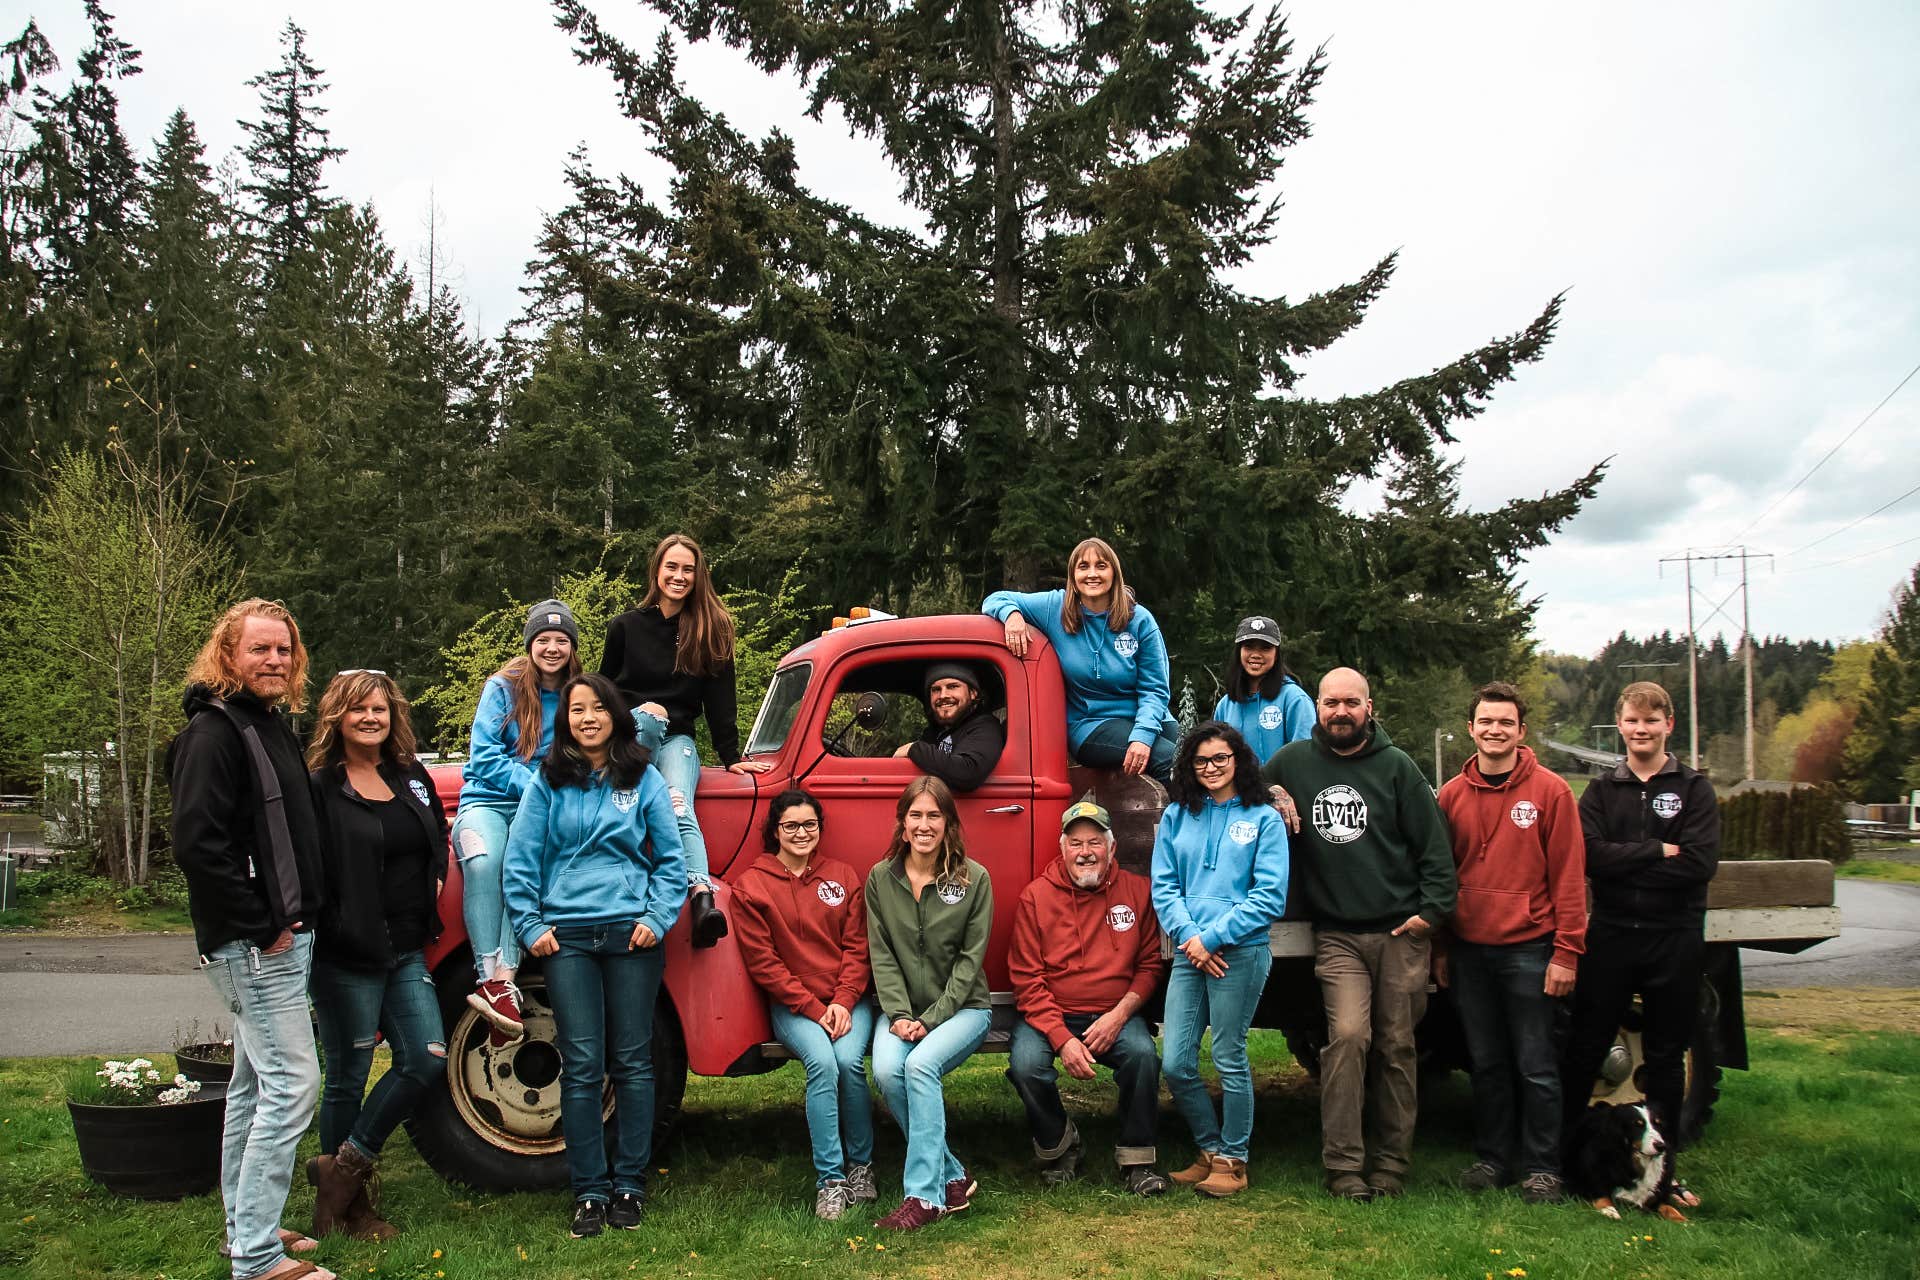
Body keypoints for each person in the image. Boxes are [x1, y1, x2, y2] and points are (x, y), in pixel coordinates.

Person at [169, 599, 335, 1280]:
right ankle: (258, 1260)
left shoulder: (265, 724)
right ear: (227, 655)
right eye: (260, 649)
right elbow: (197, 846)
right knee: (295, 1086)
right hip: (255, 945)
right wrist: (261, 923)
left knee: (252, 1088)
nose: (274, 661)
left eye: (284, 650)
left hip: (278, 940)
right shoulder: (213, 735)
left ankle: (246, 1230)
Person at [1262, 667, 1456, 1201]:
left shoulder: (1397, 769)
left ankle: (1391, 1164)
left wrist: (1430, 914)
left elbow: (1436, 852)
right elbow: (1244, 785)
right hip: (1338, 936)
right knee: (1347, 1038)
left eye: (1351, 702)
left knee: (1397, 1046)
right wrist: (1272, 794)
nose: (1340, 712)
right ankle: (1344, 1166)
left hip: (1399, 932)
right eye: (1330, 703)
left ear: (1369, 707)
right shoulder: (1294, 762)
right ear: (1317, 708)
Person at [503, 673, 686, 1238]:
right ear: (567, 721)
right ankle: (588, 1191)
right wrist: (531, 925)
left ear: (615, 716)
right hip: (569, 940)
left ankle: (629, 1183)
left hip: (631, 936)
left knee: (632, 1062)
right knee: (582, 1065)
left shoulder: (644, 778)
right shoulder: (547, 782)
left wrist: (656, 919)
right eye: (577, 709)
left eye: (598, 708)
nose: (587, 718)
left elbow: (670, 858)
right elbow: (521, 858)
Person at [303, 670, 450, 1240]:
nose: (371, 718)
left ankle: (342, 1167)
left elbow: (435, 830)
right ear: (337, 716)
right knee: (348, 1076)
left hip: (407, 948)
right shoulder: (319, 785)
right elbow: (308, 865)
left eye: (381, 710)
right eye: (359, 709)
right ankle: (352, 1207)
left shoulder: (409, 774)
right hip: (346, 954)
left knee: (426, 1058)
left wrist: (435, 874)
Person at [1560, 680, 1718, 1212]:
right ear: (1620, 725)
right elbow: (1591, 857)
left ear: (1668, 725)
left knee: (1669, 1058)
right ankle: (1568, 1161)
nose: (1641, 729)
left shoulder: (1694, 789)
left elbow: (1699, 865)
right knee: (1584, 1050)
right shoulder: (1603, 791)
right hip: (1611, 937)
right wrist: (1657, 850)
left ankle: (1664, 1173)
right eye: (1632, 720)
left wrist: (1630, 864)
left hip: (1674, 937)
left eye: (1652, 721)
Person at [1434, 681, 1585, 1204]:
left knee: (1536, 1065)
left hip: (1530, 948)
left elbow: (1569, 878)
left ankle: (1542, 1166)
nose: (1494, 730)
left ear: (1521, 731)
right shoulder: (1451, 795)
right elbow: (1441, 877)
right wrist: (1442, 948)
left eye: (1505, 723)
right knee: (1487, 1063)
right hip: (1470, 949)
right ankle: (1493, 1158)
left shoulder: (1551, 792)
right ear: (1471, 729)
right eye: (1485, 721)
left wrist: (1567, 952)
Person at [601, 533, 772, 948]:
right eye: (672, 567)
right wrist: (643, 713)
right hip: (631, 736)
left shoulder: (710, 629)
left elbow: (719, 699)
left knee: (678, 803)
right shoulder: (624, 626)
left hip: (678, 739)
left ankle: (700, 898)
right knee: (647, 724)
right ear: (657, 570)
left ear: (698, 577)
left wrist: (731, 755)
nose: (679, 576)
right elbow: (604, 692)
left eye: (688, 570)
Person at [1151, 722, 1290, 1199]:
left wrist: (1212, 938)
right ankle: (1209, 1148)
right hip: (1193, 950)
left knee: (1229, 1055)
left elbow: (1269, 896)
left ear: (1239, 761)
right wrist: (1192, 938)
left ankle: (1235, 1158)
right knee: (1175, 1061)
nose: (1211, 768)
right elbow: (1164, 886)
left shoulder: (1264, 818)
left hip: (1241, 951)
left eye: (1220, 759)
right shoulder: (1177, 815)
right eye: (1201, 760)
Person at [1006, 800, 1170, 1196]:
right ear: (1062, 849)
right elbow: (1028, 979)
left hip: (1115, 1011)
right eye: (1076, 843)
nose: (1085, 853)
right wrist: (1061, 1039)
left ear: (1112, 848)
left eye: (1095, 842)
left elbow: (1150, 966)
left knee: (1143, 1056)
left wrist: (1119, 1016)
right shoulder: (1036, 897)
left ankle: (1137, 1162)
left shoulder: (1136, 891)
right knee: (1026, 1063)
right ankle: (1061, 1146)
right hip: (1052, 1013)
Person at [730, 790, 877, 1220]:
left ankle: (862, 1166)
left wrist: (845, 1001)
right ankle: (830, 1180)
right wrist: (815, 1008)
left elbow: (858, 948)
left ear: (820, 829)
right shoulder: (752, 885)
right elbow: (765, 964)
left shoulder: (844, 876)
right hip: (794, 1006)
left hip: (850, 1001)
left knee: (849, 1062)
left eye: (809, 825)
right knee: (822, 1064)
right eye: (791, 825)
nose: (800, 833)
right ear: (775, 830)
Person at [865, 777, 994, 1231]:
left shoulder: (974, 878)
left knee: (919, 1067)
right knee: (886, 1070)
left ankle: (925, 1198)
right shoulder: (881, 879)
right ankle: (953, 1174)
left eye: (933, 815)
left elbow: (969, 961)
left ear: (948, 824)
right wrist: (900, 1015)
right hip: (899, 1012)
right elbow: (881, 954)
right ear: (903, 824)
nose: (924, 825)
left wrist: (930, 1020)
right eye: (915, 815)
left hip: (964, 1010)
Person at [455, 599, 581, 1042]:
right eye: (543, 640)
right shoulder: (502, 687)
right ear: (529, 644)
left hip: (543, 810)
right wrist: (537, 787)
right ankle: (488, 974)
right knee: (485, 859)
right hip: (489, 802)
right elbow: (485, 757)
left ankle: (504, 979)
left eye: (561, 640)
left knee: (525, 867)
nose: (551, 648)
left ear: (571, 646)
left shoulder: (577, 694)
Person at [983, 537, 1179, 782]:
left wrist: (1143, 735)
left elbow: (1155, 689)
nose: (1092, 574)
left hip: (1148, 716)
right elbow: (996, 598)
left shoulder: (1139, 619)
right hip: (1092, 723)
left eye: (1101, 566)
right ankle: (1179, 821)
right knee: (1171, 761)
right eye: (1083, 566)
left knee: (1198, 758)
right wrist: (1011, 615)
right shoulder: (1055, 607)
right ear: (1073, 576)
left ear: (1114, 574)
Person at [1212, 615, 1314, 764]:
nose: (1256, 654)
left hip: (1280, 786)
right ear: (1239, 651)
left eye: (1265, 648)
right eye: (1249, 647)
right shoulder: (1226, 705)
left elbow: (1305, 755)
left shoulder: (1295, 699)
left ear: (1276, 653)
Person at [891, 661, 1006, 792]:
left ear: (973, 693)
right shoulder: (935, 733)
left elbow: (968, 772)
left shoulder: (986, 728)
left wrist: (914, 749)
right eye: (936, 690)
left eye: (952, 687)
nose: (943, 695)